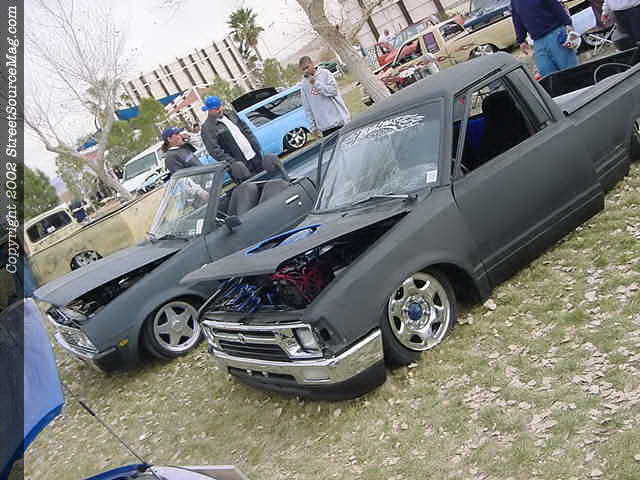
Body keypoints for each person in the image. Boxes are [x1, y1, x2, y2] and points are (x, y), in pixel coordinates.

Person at [511, 0, 579, 77]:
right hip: (537, 42)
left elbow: (555, 5)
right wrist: (521, 40)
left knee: (570, 71)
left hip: (556, 34)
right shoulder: (514, 2)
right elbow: (517, 19)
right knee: (547, 74)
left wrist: (568, 23)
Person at [200, 95, 263, 174]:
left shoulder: (230, 114)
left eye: (220, 107)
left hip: (255, 156)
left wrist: (255, 145)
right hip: (240, 167)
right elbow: (214, 151)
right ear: (209, 110)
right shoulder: (207, 128)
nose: (219, 110)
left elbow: (246, 129)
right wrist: (233, 163)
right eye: (216, 109)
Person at [299, 56, 351, 138]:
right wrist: (313, 128)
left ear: (312, 64)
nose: (306, 71)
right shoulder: (304, 85)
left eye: (307, 67)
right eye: (303, 69)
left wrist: (315, 83)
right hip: (324, 128)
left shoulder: (325, 73)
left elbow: (333, 91)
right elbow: (307, 108)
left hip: (339, 121)